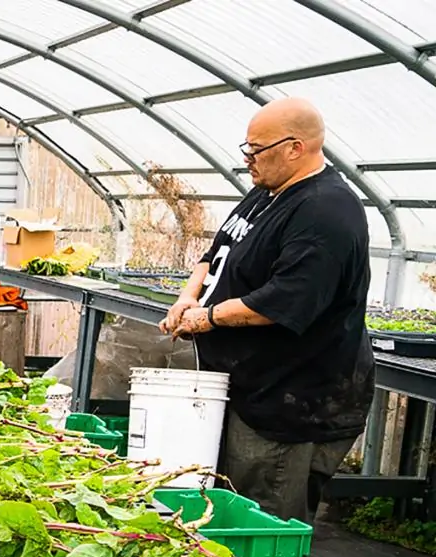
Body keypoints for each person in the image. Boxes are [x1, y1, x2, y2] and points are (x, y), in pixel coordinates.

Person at [160, 97, 374, 524]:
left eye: (255, 150)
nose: (247, 160)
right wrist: (188, 297)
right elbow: (215, 253)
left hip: (290, 405)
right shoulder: (266, 192)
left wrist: (208, 317)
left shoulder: (325, 211)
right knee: (228, 511)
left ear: (294, 147)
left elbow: (285, 300)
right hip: (251, 390)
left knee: (261, 522)